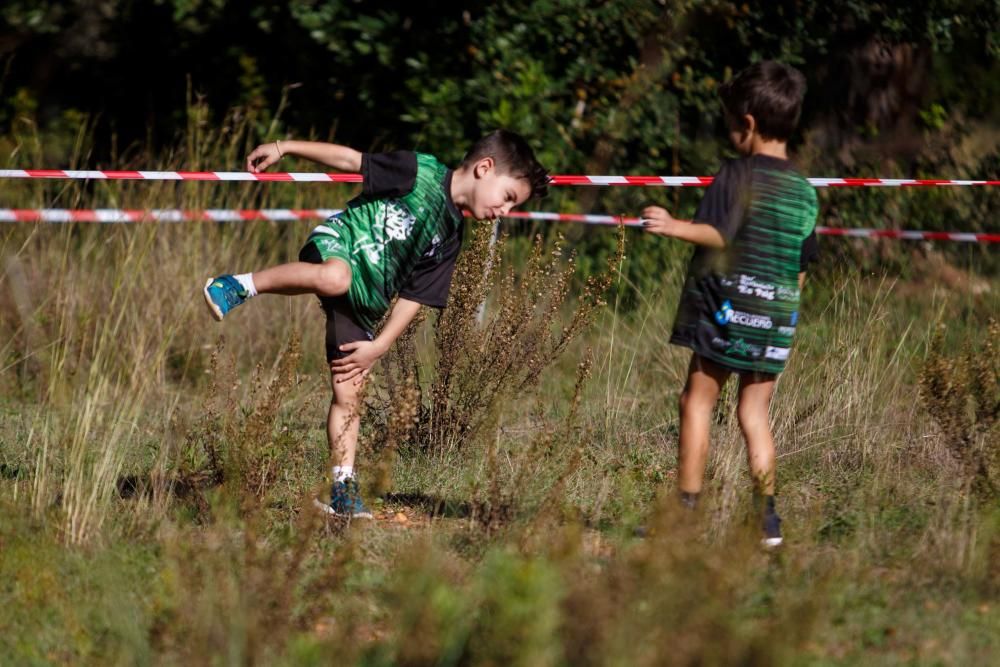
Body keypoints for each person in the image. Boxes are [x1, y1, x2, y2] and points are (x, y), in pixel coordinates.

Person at [203, 130, 548, 517]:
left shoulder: (451, 236)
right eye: (508, 198)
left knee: (350, 391)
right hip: (341, 244)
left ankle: (341, 488)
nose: (506, 212)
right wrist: (286, 147)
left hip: (367, 300)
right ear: (486, 168)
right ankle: (238, 285)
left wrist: (379, 346)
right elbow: (354, 161)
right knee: (335, 278)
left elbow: (416, 296)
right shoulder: (420, 172)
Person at [641, 61, 819, 546]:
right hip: (777, 317)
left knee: (696, 401)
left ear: (748, 124)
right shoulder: (805, 192)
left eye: (729, 125)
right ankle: (766, 520)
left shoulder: (738, 174)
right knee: (754, 415)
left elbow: (719, 233)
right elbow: (803, 264)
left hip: (728, 312)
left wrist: (671, 224)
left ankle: (685, 514)